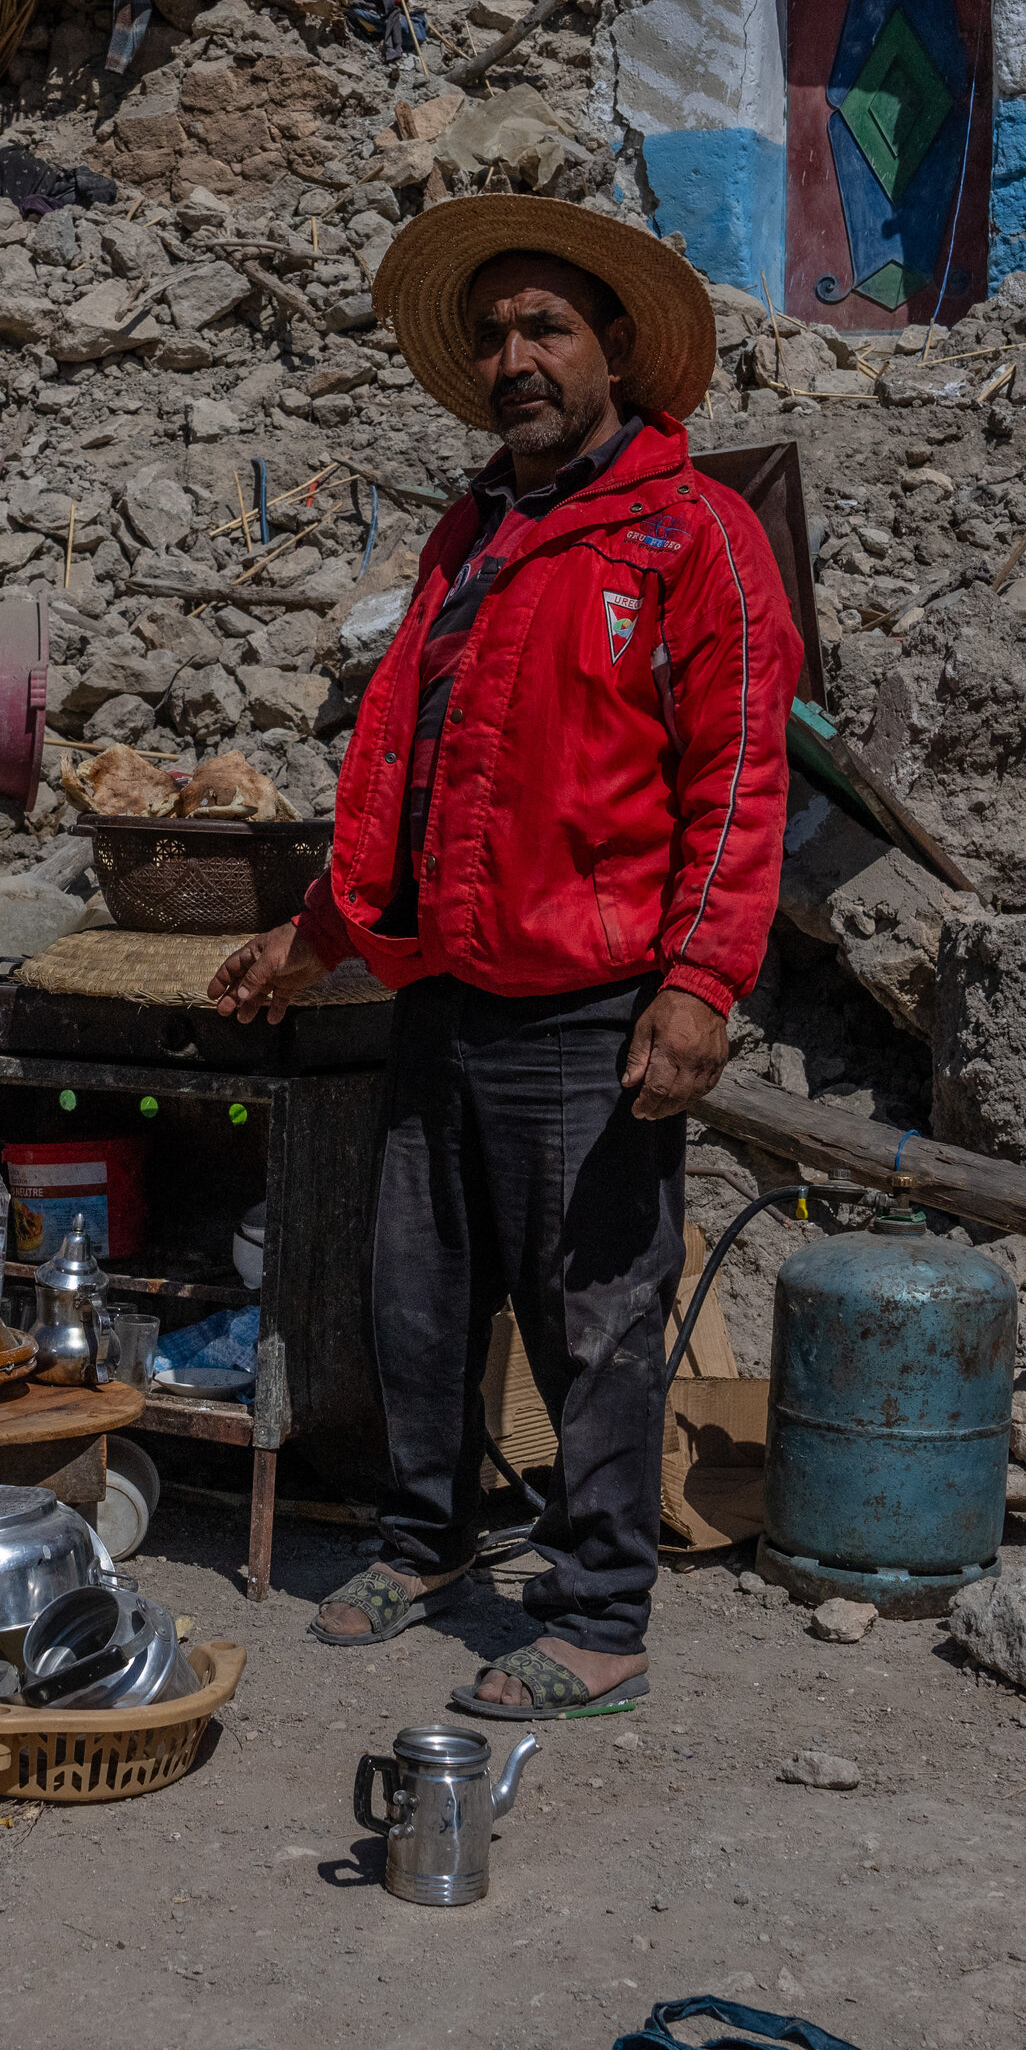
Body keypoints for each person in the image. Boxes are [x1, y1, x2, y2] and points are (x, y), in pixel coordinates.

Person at [210, 193, 799, 1721]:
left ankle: (600, 1615)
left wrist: (701, 983)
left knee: (593, 1320)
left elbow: (736, 778)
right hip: (446, 996)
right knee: (419, 1295)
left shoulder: (697, 539)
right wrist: (316, 936)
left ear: (619, 348)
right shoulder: (472, 532)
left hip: (594, 1008)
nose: (512, 356)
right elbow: (414, 777)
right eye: (493, 334)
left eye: (545, 327)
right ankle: (431, 1542)